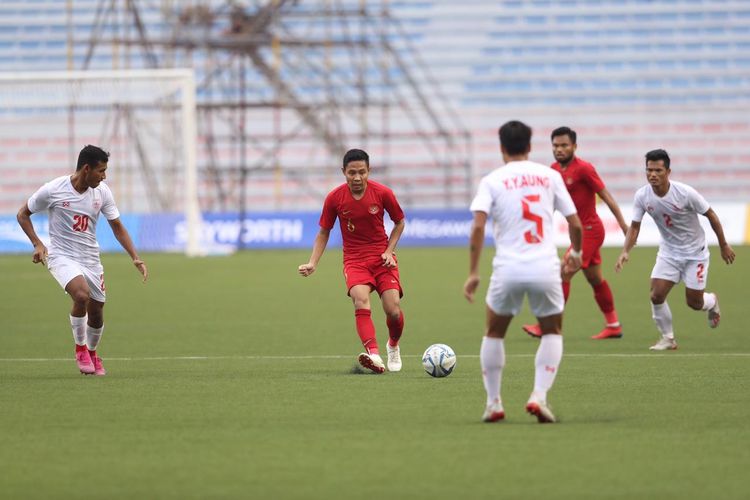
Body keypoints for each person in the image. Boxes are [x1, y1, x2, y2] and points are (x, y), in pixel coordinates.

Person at [464, 120, 583, 424]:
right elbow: (575, 223)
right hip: (545, 266)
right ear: (530, 147)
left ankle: (493, 403)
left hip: (508, 268)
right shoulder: (549, 175)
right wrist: (577, 253)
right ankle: (538, 396)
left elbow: (478, 225)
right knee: (553, 331)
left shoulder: (492, 180)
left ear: (502, 148)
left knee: (493, 333)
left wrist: (474, 272)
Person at [16, 145, 148, 375]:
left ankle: (93, 353)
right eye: (101, 170)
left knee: (97, 311)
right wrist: (38, 243)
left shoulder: (103, 192)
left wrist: (135, 258)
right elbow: (22, 214)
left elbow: (117, 227)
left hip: (90, 258)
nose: (104, 176)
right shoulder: (54, 189)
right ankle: (80, 349)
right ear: (86, 169)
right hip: (61, 255)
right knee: (81, 295)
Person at [298, 149, 406, 374]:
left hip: (381, 258)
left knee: (393, 309)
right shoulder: (334, 198)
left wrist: (388, 251)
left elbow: (399, 222)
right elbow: (324, 232)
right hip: (355, 260)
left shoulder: (383, 193)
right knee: (360, 299)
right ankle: (374, 355)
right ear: (343, 172)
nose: (357, 178)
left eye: (362, 172)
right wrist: (313, 262)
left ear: (369, 171)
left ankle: (393, 346)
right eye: (351, 173)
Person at [615, 149, 735, 351]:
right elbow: (635, 226)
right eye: (649, 170)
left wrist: (723, 245)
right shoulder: (642, 196)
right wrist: (626, 250)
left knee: (694, 303)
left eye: (658, 170)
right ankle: (668, 338)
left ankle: (712, 301)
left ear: (668, 171)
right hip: (669, 253)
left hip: (695, 253)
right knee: (656, 295)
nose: (652, 174)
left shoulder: (685, 193)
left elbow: (711, 215)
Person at [523, 126, 629, 340]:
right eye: (555, 145)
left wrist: (626, 228)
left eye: (564, 145)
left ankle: (548, 326)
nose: (559, 149)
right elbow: (550, 204)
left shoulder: (584, 169)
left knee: (563, 272)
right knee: (595, 279)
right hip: (576, 232)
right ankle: (613, 325)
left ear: (574, 146)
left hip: (590, 231)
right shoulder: (553, 170)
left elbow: (607, 198)